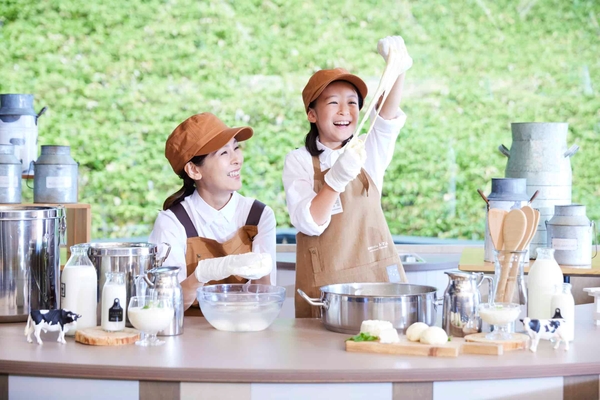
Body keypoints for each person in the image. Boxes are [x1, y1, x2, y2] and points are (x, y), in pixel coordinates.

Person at [282, 36, 412, 318]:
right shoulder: (299, 161)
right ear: (312, 114)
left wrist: (397, 65)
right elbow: (309, 222)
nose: (344, 111)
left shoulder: (368, 150)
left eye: (352, 102)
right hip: (326, 294)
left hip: (377, 283)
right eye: (333, 102)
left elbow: (386, 119)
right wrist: (336, 179)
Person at [149, 113, 276, 316]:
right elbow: (164, 305)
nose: (237, 160)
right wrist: (202, 273)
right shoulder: (172, 222)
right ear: (193, 170)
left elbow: (264, 296)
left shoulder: (259, 216)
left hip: (244, 326)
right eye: (224, 153)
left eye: (236, 148)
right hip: (187, 332)